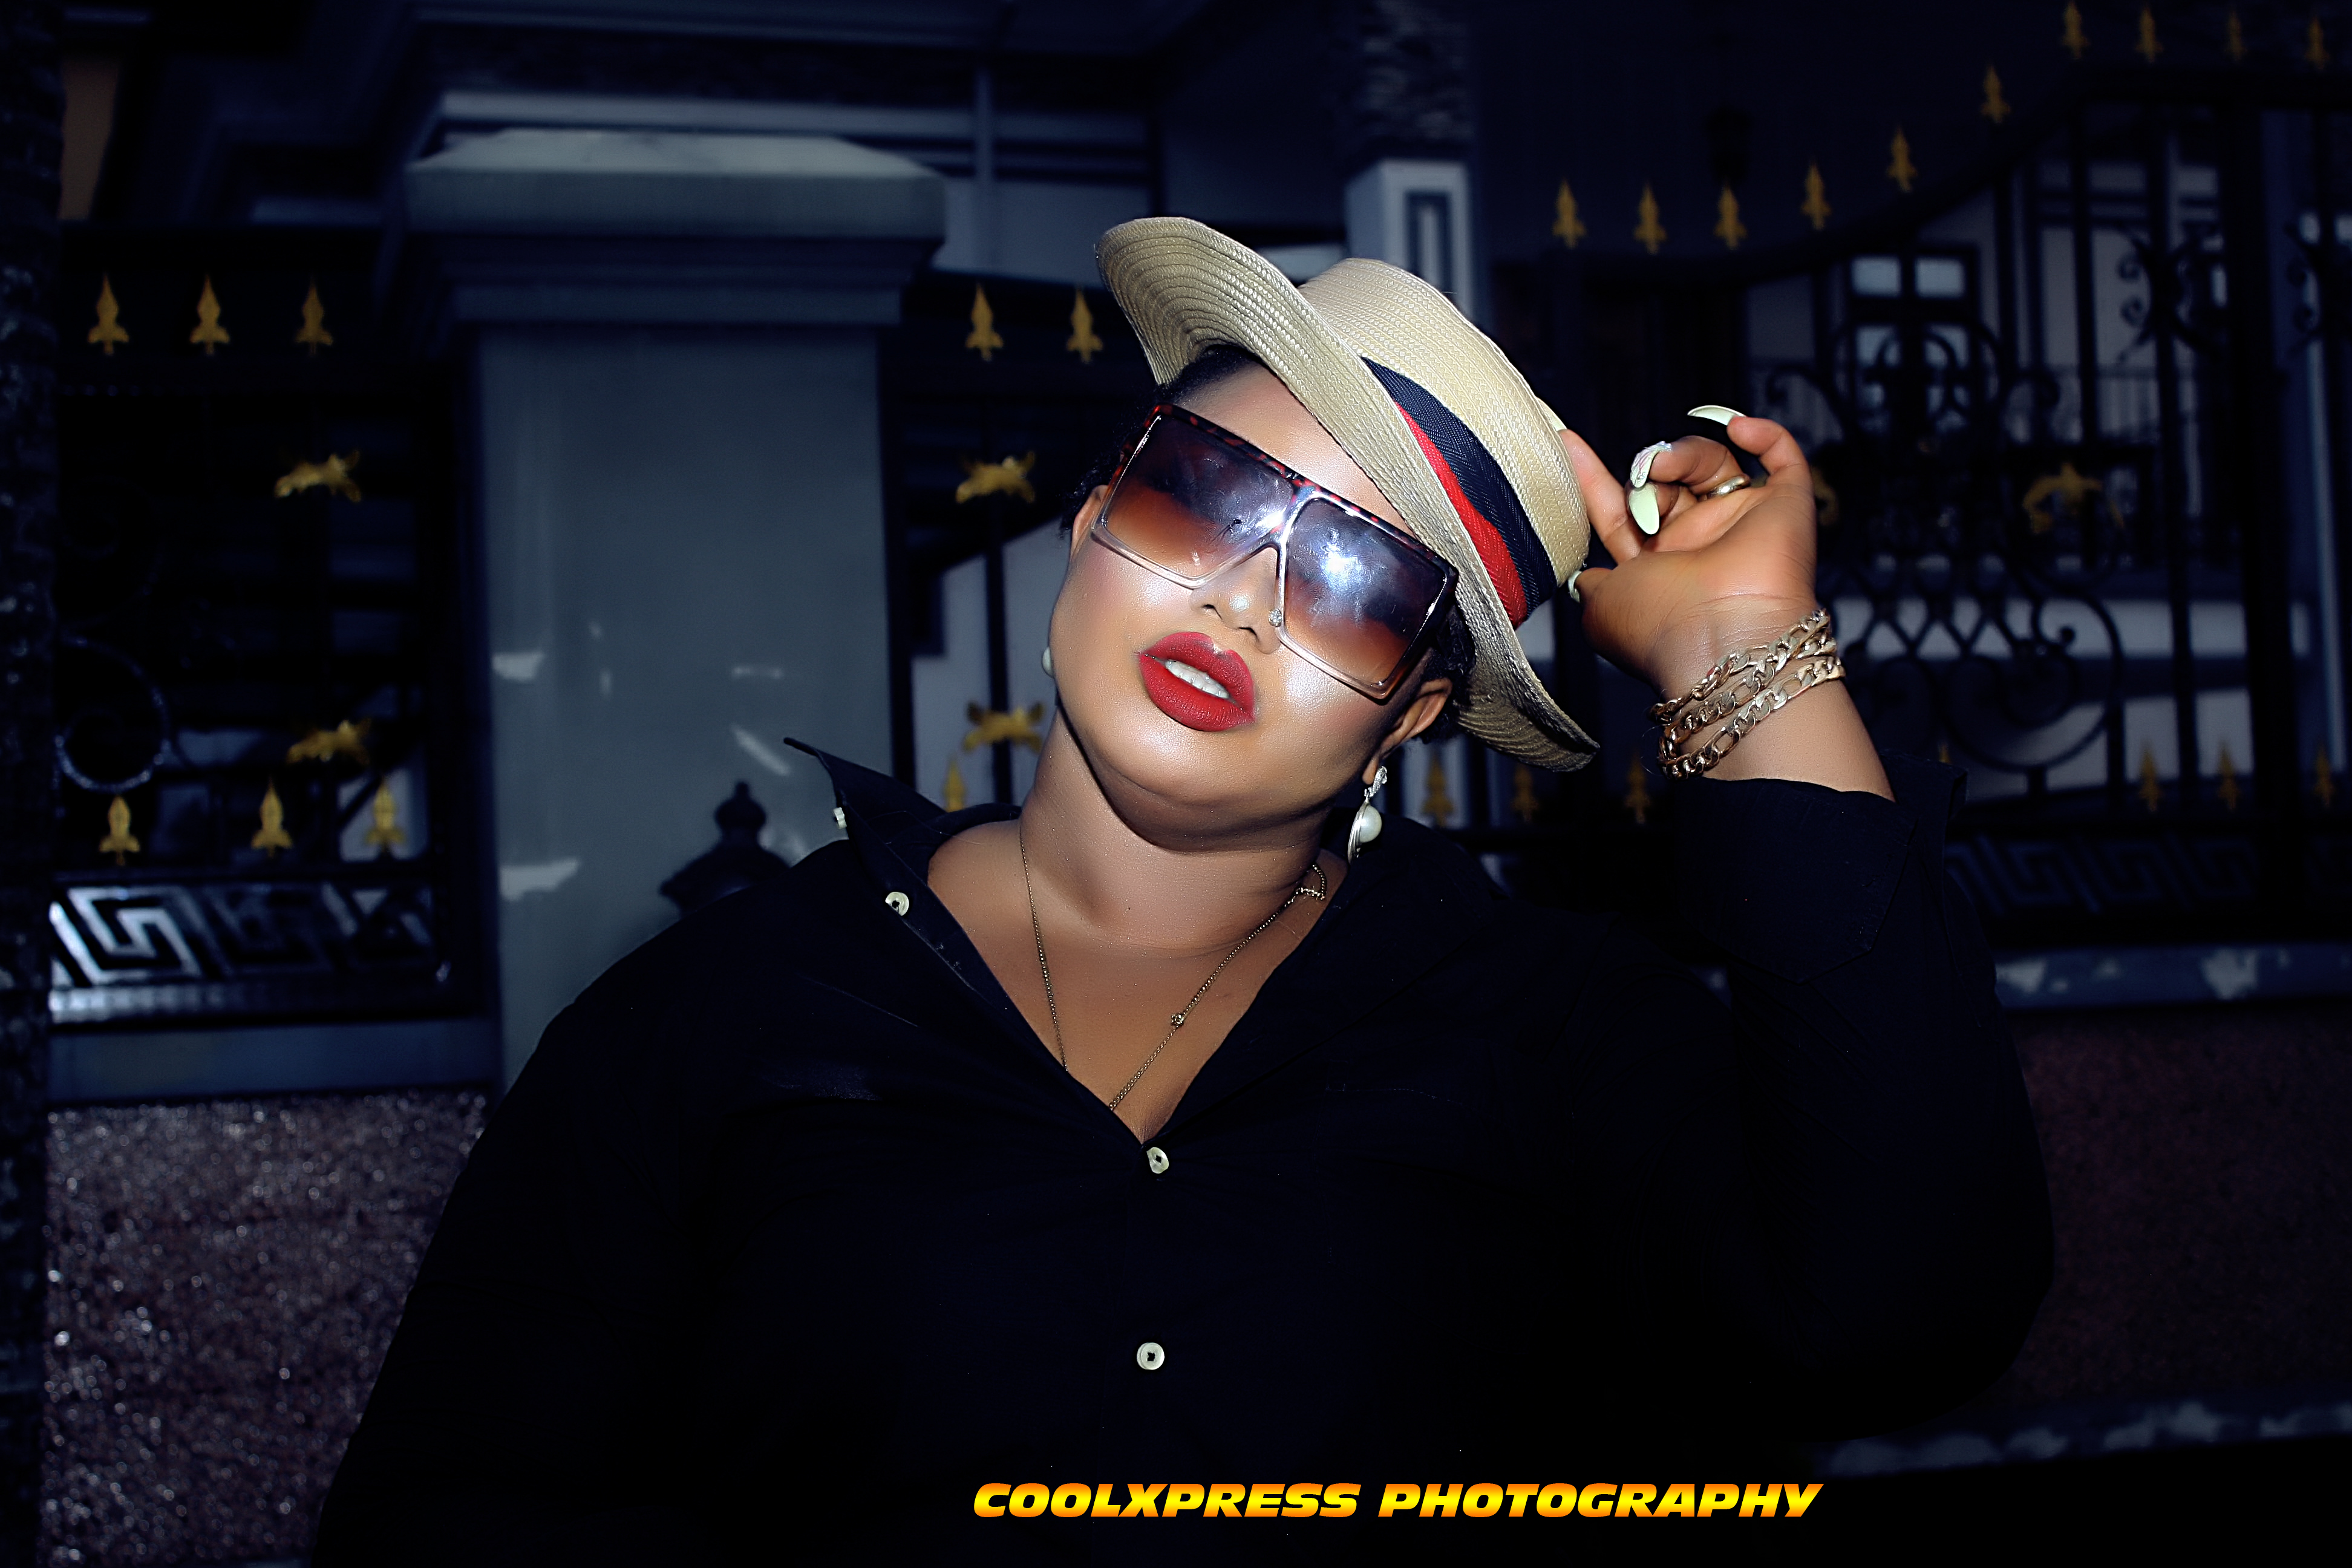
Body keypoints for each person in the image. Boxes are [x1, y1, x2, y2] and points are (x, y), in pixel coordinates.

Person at [315, 218, 2050, 1564]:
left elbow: (1905, 1309)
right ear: (1093, 515)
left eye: (1358, 579)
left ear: (1414, 711)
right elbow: (445, 1518)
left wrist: (1743, 651)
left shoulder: (1553, 1030)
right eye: (1208, 494)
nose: (1245, 599)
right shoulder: (711, 1014)